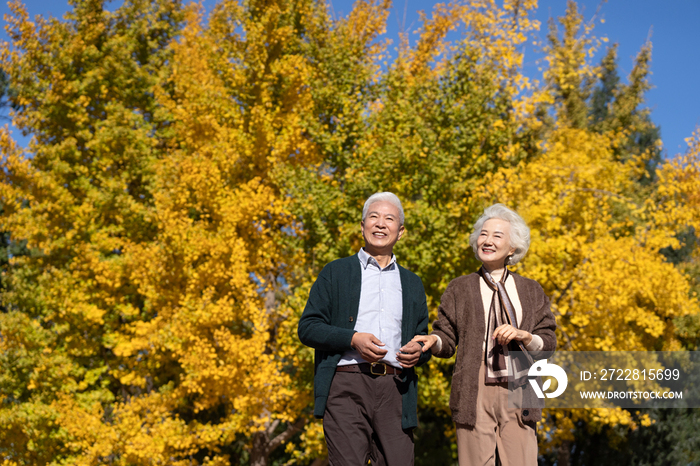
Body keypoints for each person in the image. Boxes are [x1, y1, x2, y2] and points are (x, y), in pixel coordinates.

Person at [412, 203, 556, 466]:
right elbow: (446, 336)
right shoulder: (459, 288)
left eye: (497, 236)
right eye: (483, 234)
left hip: (519, 385)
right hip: (473, 386)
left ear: (512, 248)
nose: (487, 241)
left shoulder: (531, 290)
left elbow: (547, 342)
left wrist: (524, 336)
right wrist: (433, 341)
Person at [298, 192, 431, 466]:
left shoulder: (412, 283)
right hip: (346, 384)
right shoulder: (335, 272)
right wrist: (353, 338)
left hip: (397, 389)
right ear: (362, 226)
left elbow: (423, 339)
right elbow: (308, 328)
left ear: (401, 231)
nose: (380, 224)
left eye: (389, 219)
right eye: (374, 217)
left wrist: (419, 351)